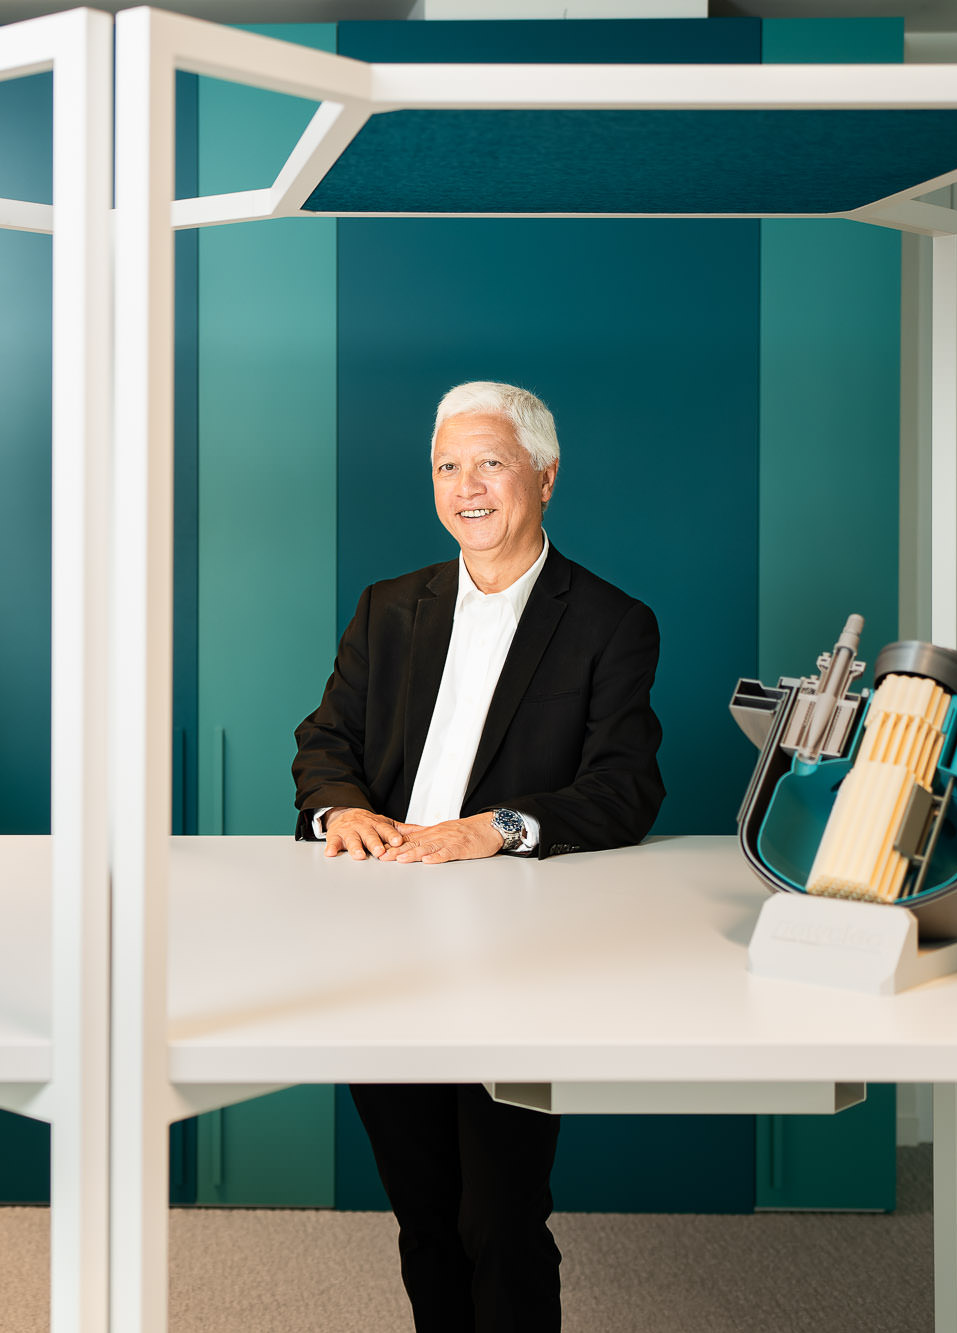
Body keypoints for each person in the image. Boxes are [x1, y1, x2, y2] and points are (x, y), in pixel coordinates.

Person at [291, 381, 665, 1331]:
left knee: (498, 1214)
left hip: (517, 951)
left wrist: (496, 826)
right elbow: (324, 740)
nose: (468, 487)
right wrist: (338, 809)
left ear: (543, 474)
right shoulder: (388, 607)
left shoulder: (611, 622)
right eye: (448, 466)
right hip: (383, 941)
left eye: (490, 462)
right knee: (422, 1213)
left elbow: (626, 787)